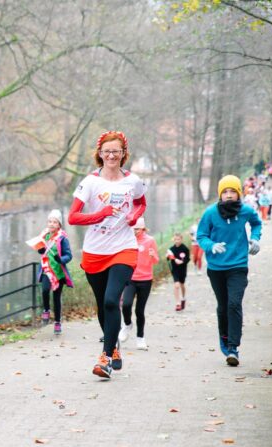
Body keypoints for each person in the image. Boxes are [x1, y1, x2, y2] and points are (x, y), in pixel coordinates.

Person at [68, 130, 146, 379]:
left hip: (123, 248)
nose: (111, 155)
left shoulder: (133, 181)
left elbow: (141, 202)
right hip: (94, 250)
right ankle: (114, 347)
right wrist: (99, 215)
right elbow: (73, 217)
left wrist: (134, 216)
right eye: (107, 151)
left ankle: (104, 359)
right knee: (103, 305)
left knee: (113, 300)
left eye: (116, 151)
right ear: (100, 154)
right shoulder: (90, 182)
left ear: (124, 154)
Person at [197, 175, 262, 367]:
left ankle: (233, 348)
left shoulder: (245, 211)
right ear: (220, 194)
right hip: (216, 268)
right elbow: (201, 235)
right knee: (223, 306)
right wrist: (211, 245)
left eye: (232, 191)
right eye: (225, 191)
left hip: (238, 266)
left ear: (238, 193)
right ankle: (224, 337)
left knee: (234, 303)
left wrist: (256, 238)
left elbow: (257, 223)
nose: (228, 195)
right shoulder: (210, 213)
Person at [119, 217, 158, 350]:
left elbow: (156, 260)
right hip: (130, 278)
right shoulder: (128, 240)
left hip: (145, 279)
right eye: (132, 229)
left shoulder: (150, 240)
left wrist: (153, 256)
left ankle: (140, 338)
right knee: (126, 305)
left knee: (139, 311)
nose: (134, 231)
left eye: (137, 229)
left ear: (143, 229)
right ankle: (127, 324)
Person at [35, 209, 74, 335]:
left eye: (54, 222)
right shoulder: (44, 236)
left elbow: (69, 255)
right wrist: (40, 251)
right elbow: (41, 250)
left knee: (56, 297)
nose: (51, 224)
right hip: (47, 270)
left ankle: (57, 322)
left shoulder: (62, 238)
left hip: (58, 272)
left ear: (59, 225)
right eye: (50, 221)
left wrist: (60, 259)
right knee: (45, 290)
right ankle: (46, 310)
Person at [166, 232, 190, 311]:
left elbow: (188, 259)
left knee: (182, 284)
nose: (177, 241)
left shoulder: (185, 248)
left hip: (182, 269)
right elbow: (169, 258)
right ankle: (178, 303)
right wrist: (168, 257)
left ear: (181, 239)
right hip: (175, 269)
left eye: (178, 239)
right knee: (176, 285)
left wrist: (182, 262)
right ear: (173, 240)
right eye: (175, 239)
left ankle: (183, 298)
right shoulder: (171, 249)